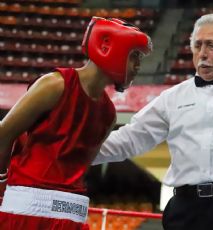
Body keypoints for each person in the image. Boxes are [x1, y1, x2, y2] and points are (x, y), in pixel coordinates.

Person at [93, 14, 213, 230]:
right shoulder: (173, 97)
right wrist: (75, 152)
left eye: (211, 45)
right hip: (185, 209)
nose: (203, 54)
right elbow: (131, 138)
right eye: (197, 45)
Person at [0, 17, 151, 229]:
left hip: (72, 214)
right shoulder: (54, 85)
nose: (138, 66)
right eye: (134, 55)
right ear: (109, 48)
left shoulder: (108, 114)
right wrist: (1, 185)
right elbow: (4, 134)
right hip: (26, 207)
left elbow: (78, 166)